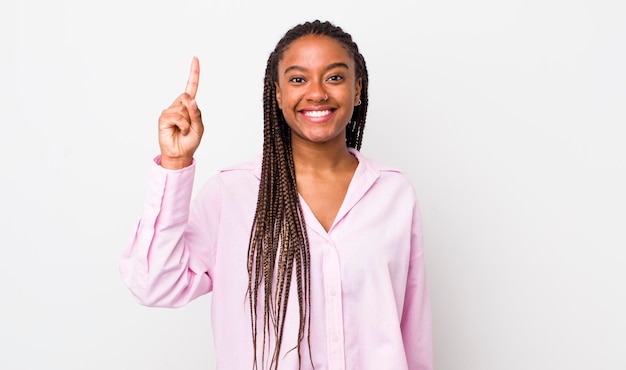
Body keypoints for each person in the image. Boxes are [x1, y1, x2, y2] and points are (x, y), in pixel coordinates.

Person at [120, 20, 433, 370]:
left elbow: (413, 333)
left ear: (357, 89)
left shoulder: (394, 194)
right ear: (278, 93)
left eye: (334, 77)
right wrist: (175, 162)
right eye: (298, 79)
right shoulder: (232, 194)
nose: (317, 93)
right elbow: (154, 284)